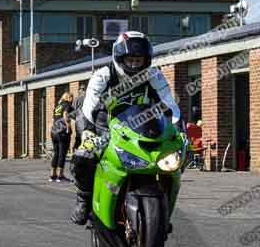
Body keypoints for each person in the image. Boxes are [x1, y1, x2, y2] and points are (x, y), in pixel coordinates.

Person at [69, 31, 181, 225]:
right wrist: (87, 133)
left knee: (176, 156)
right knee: (83, 156)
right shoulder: (103, 76)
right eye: (130, 60)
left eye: (139, 60)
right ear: (120, 58)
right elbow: (87, 108)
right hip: (104, 129)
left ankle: (162, 209)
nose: (135, 64)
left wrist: (179, 129)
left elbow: (170, 105)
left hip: (141, 130)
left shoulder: (154, 75)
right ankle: (84, 199)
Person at [50, 93, 74, 182]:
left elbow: (53, 120)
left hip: (54, 131)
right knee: (62, 153)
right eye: (72, 97)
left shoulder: (57, 106)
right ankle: (60, 176)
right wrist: (68, 127)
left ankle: (52, 175)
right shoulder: (66, 105)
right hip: (62, 132)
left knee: (56, 153)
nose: (72, 100)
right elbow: (65, 115)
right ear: (69, 97)